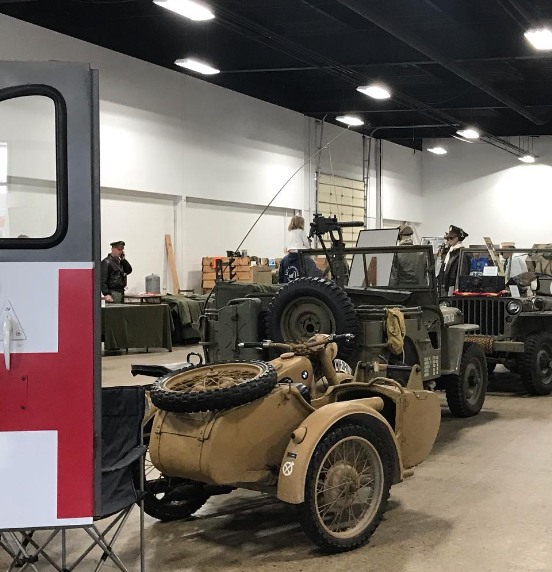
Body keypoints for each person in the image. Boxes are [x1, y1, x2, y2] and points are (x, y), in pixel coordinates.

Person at [438, 225, 470, 295]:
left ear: (458, 237)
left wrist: (458, 289)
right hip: (446, 285)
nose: (449, 240)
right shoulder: (451, 252)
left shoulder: (462, 253)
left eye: (451, 238)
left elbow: (463, 274)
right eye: (448, 238)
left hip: (453, 287)